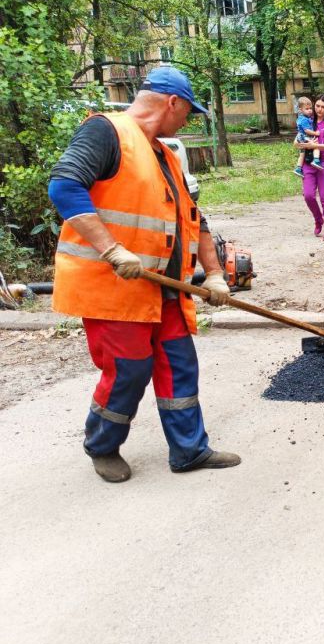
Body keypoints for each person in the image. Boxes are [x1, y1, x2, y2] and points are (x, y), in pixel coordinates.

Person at [47, 66, 241, 483]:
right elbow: (64, 186)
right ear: (172, 102)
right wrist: (112, 249)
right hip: (114, 289)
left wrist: (213, 274)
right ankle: (102, 446)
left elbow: (194, 219)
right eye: (188, 111)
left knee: (179, 365)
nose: (188, 121)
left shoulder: (165, 154)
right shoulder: (107, 132)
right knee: (129, 371)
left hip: (164, 291)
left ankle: (189, 450)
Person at [297, 94, 324, 241]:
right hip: (308, 163)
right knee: (308, 196)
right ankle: (318, 219)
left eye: (323, 107)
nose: (319, 109)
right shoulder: (308, 121)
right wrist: (303, 144)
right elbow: (296, 142)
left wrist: (316, 146)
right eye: (317, 106)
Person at [293, 96, 323, 177]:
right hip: (305, 137)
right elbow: (307, 130)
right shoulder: (304, 119)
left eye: (310, 108)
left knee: (302, 154)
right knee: (316, 145)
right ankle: (316, 160)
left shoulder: (304, 118)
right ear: (300, 110)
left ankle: (298, 168)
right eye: (307, 109)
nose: (310, 110)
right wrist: (316, 133)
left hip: (300, 138)